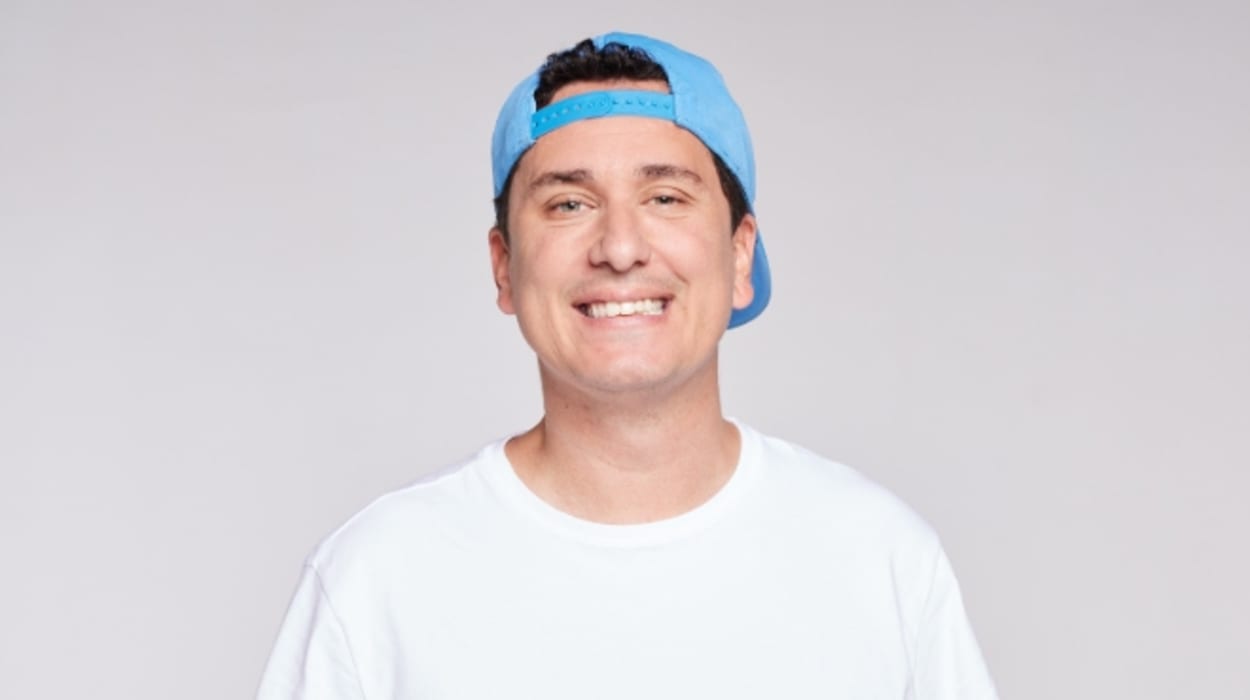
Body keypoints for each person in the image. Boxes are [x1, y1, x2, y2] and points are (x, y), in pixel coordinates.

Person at [257, 32, 998, 699]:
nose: (619, 248)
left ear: (740, 255)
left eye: (665, 197)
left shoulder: (880, 559)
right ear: (505, 266)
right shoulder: (376, 581)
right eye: (569, 204)